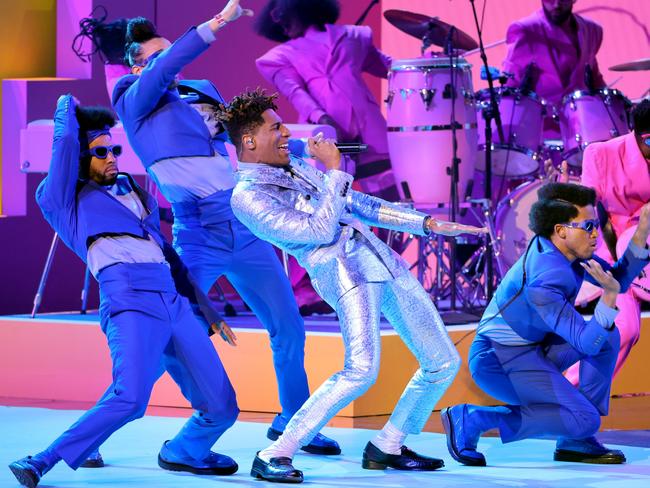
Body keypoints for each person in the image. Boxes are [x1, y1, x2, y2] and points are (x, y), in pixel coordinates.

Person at [220, 89, 486, 483]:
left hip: (382, 261)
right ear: (249, 140)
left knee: (442, 361)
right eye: (276, 127)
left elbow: (359, 205)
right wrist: (335, 171)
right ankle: (276, 452)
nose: (286, 134)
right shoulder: (247, 197)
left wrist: (426, 225)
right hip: (344, 274)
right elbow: (318, 229)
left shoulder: (295, 165)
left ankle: (388, 445)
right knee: (361, 369)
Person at [111, 0, 339, 455]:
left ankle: (293, 422)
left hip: (247, 226)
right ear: (138, 67)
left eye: (168, 51)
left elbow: (241, 144)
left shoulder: (198, 91)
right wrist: (219, 21)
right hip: (199, 235)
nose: (169, 61)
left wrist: (297, 151)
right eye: (157, 56)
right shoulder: (132, 99)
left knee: (289, 328)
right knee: (169, 334)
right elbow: (167, 65)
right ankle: (109, 417)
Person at [8, 96, 240, 488]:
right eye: (101, 152)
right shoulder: (61, 199)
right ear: (81, 159)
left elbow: (167, 255)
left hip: (174, 302)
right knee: (131, 398)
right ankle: (42, 460)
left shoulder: (133, 190)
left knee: (223, 407)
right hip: (129, 301)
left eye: (114, 148)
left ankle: (184, 451)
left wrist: (209, 312)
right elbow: (64, 147)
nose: (113, 157)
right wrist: (67, 106)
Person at [441, 182, 650, 466]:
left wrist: (643, 228)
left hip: (533, 349)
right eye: (587, 226)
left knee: (608, 336)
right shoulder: (545, 278)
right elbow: (588, 338)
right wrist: (609, 294)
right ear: (561, 230)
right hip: (498, 362)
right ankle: (473, 418)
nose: (595, 234)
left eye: (596, 225)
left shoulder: (567, 252)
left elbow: (619, 280)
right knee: (584, 417)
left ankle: (575, 437)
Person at [255, 0, 399, 313]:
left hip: (371, 132)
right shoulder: (278, 57)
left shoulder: (355, 36)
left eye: (281, 11)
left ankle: (385, 279)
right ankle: (314, 289)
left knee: (390, 208)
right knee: (321, 212)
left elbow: (390, 67)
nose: (278, 18)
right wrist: (323, 118)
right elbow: (296, 93)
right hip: (327, 137)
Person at [565, 100, 650, 384]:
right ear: (638, 134)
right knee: (625, 329)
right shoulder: (602, 155)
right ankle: (567, 391)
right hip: (618, 257)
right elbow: (586, 212)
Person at [502, 0, 605, 136]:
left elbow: (593, 77)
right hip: (541, 131)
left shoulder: (592, 30)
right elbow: (510, 85)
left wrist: (617, 106)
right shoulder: (526, 30)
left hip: (582, 128)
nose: (556, 4)